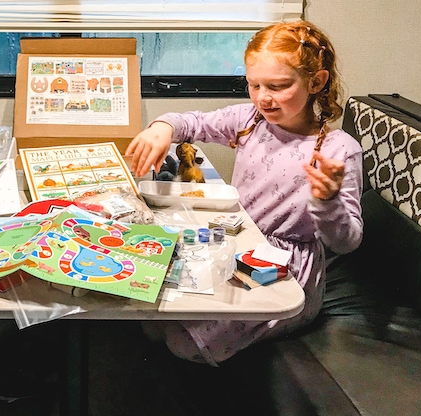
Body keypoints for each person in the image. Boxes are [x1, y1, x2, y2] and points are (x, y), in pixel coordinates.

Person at [126, 20, 363, 365]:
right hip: (234, 243)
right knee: (154, 313)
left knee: (183, 342)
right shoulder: (249, 121)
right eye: (254, 85)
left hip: (286, 272)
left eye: (278, 86)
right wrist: (163, 127)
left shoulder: (339, 149)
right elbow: (192, 123)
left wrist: (327, 202)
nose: (263, 97)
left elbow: (347, 242)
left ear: (316, 81)